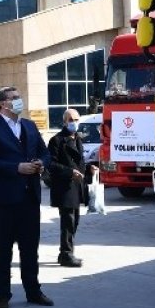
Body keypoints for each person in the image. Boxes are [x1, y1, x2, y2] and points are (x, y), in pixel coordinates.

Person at [0, 86, 54, 308]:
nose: (19, 100)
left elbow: (45, 152)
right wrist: (16, 168)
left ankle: (33, 290)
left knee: (30, 248)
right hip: (4, 198)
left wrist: (42, 163)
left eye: (19, 97)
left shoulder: (29, 126)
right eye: (14, 98)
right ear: (3, 103)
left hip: (29, 196)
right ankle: (2, 294)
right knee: (3, 249)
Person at [47, 109, 96, 268]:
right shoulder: (57, 140)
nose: (73, 122)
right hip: (65, 187)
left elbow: (79, 162)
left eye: (76, 119)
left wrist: (89, 169)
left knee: (74, 221)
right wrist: (69, 172)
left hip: (77, 186)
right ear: (64, 122)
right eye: (70, 120)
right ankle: (67, 254)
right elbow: (51, 164)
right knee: (68, 221)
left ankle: (64, 253)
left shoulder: (77, 139)